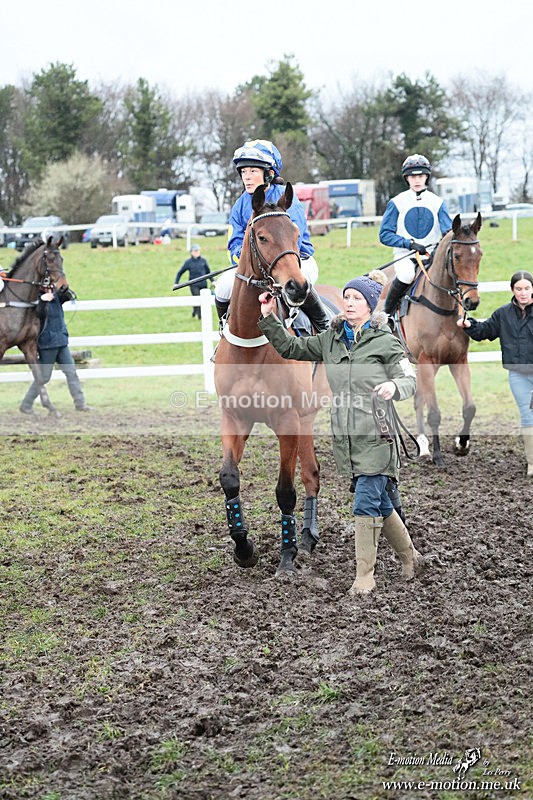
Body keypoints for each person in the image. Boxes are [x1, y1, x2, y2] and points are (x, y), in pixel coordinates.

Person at [257, 269, 423, 595]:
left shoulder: (385, 341)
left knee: (363, 502)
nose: (348, 303)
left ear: (370, 305)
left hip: (377, 433)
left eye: (357, 299)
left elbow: (409, 377)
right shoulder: (329, 340)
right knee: (379, 502)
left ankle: (365, 575)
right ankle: (410, 556)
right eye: (346, 297)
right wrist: (267, 318)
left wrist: (393, 385)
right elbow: (291, 347)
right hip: (345, 437)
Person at [214, 139, 329, 332]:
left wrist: (274, 265)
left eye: (253, 171)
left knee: (300, 282)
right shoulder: (240, 205)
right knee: (222, 286)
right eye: (243, 172)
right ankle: (226, 330)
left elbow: (294, 238)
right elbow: (234, 243)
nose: (247, 177)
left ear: (269, 174)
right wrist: (247, 260)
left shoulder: (286, 197)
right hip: (256, 266)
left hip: (296, 261)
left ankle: (325, 330)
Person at [457, 269, 533, 477]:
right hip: (518, 374)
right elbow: (485, 331)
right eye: (519, 289)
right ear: (512, 290)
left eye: (527, 288)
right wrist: (468, 324)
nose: (523, 293)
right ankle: (532, 463)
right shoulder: (503, 314)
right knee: (528, 416)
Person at [379, 154, 453, 315]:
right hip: (406, 255)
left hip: (432, 256)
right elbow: (384, 234)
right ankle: (387, 314)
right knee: (406, 275)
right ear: (407, 179)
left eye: (420, 176)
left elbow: (448, 232)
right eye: (413, 176)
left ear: (426, 177)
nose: (417, 180)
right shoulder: (396, 202)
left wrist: (438, 249)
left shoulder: (438, 202)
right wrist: (409, 244)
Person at [19, 284, 90, 414]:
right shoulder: (35, 299)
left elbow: (68, 297)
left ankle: (80, 403)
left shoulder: (56, 296)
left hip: (61, 341)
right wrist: (42, 301)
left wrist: (63, 289)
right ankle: (26, 404)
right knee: (44, 376)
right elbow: (38, 314)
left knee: (71, 372)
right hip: (47, 343)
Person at [173, 244, 211, 319]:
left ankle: (194, 312)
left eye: (198, 250)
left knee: (202, 300)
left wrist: (213, 281)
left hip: (203, 284)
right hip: (194, 285)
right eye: (195, 251)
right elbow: (180, 273)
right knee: (198, 299)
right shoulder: (188, 262)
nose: (197, 252)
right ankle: (201, 317)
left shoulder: (203, 261)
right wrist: (176, 283)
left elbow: (208, 272)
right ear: (191, 252)